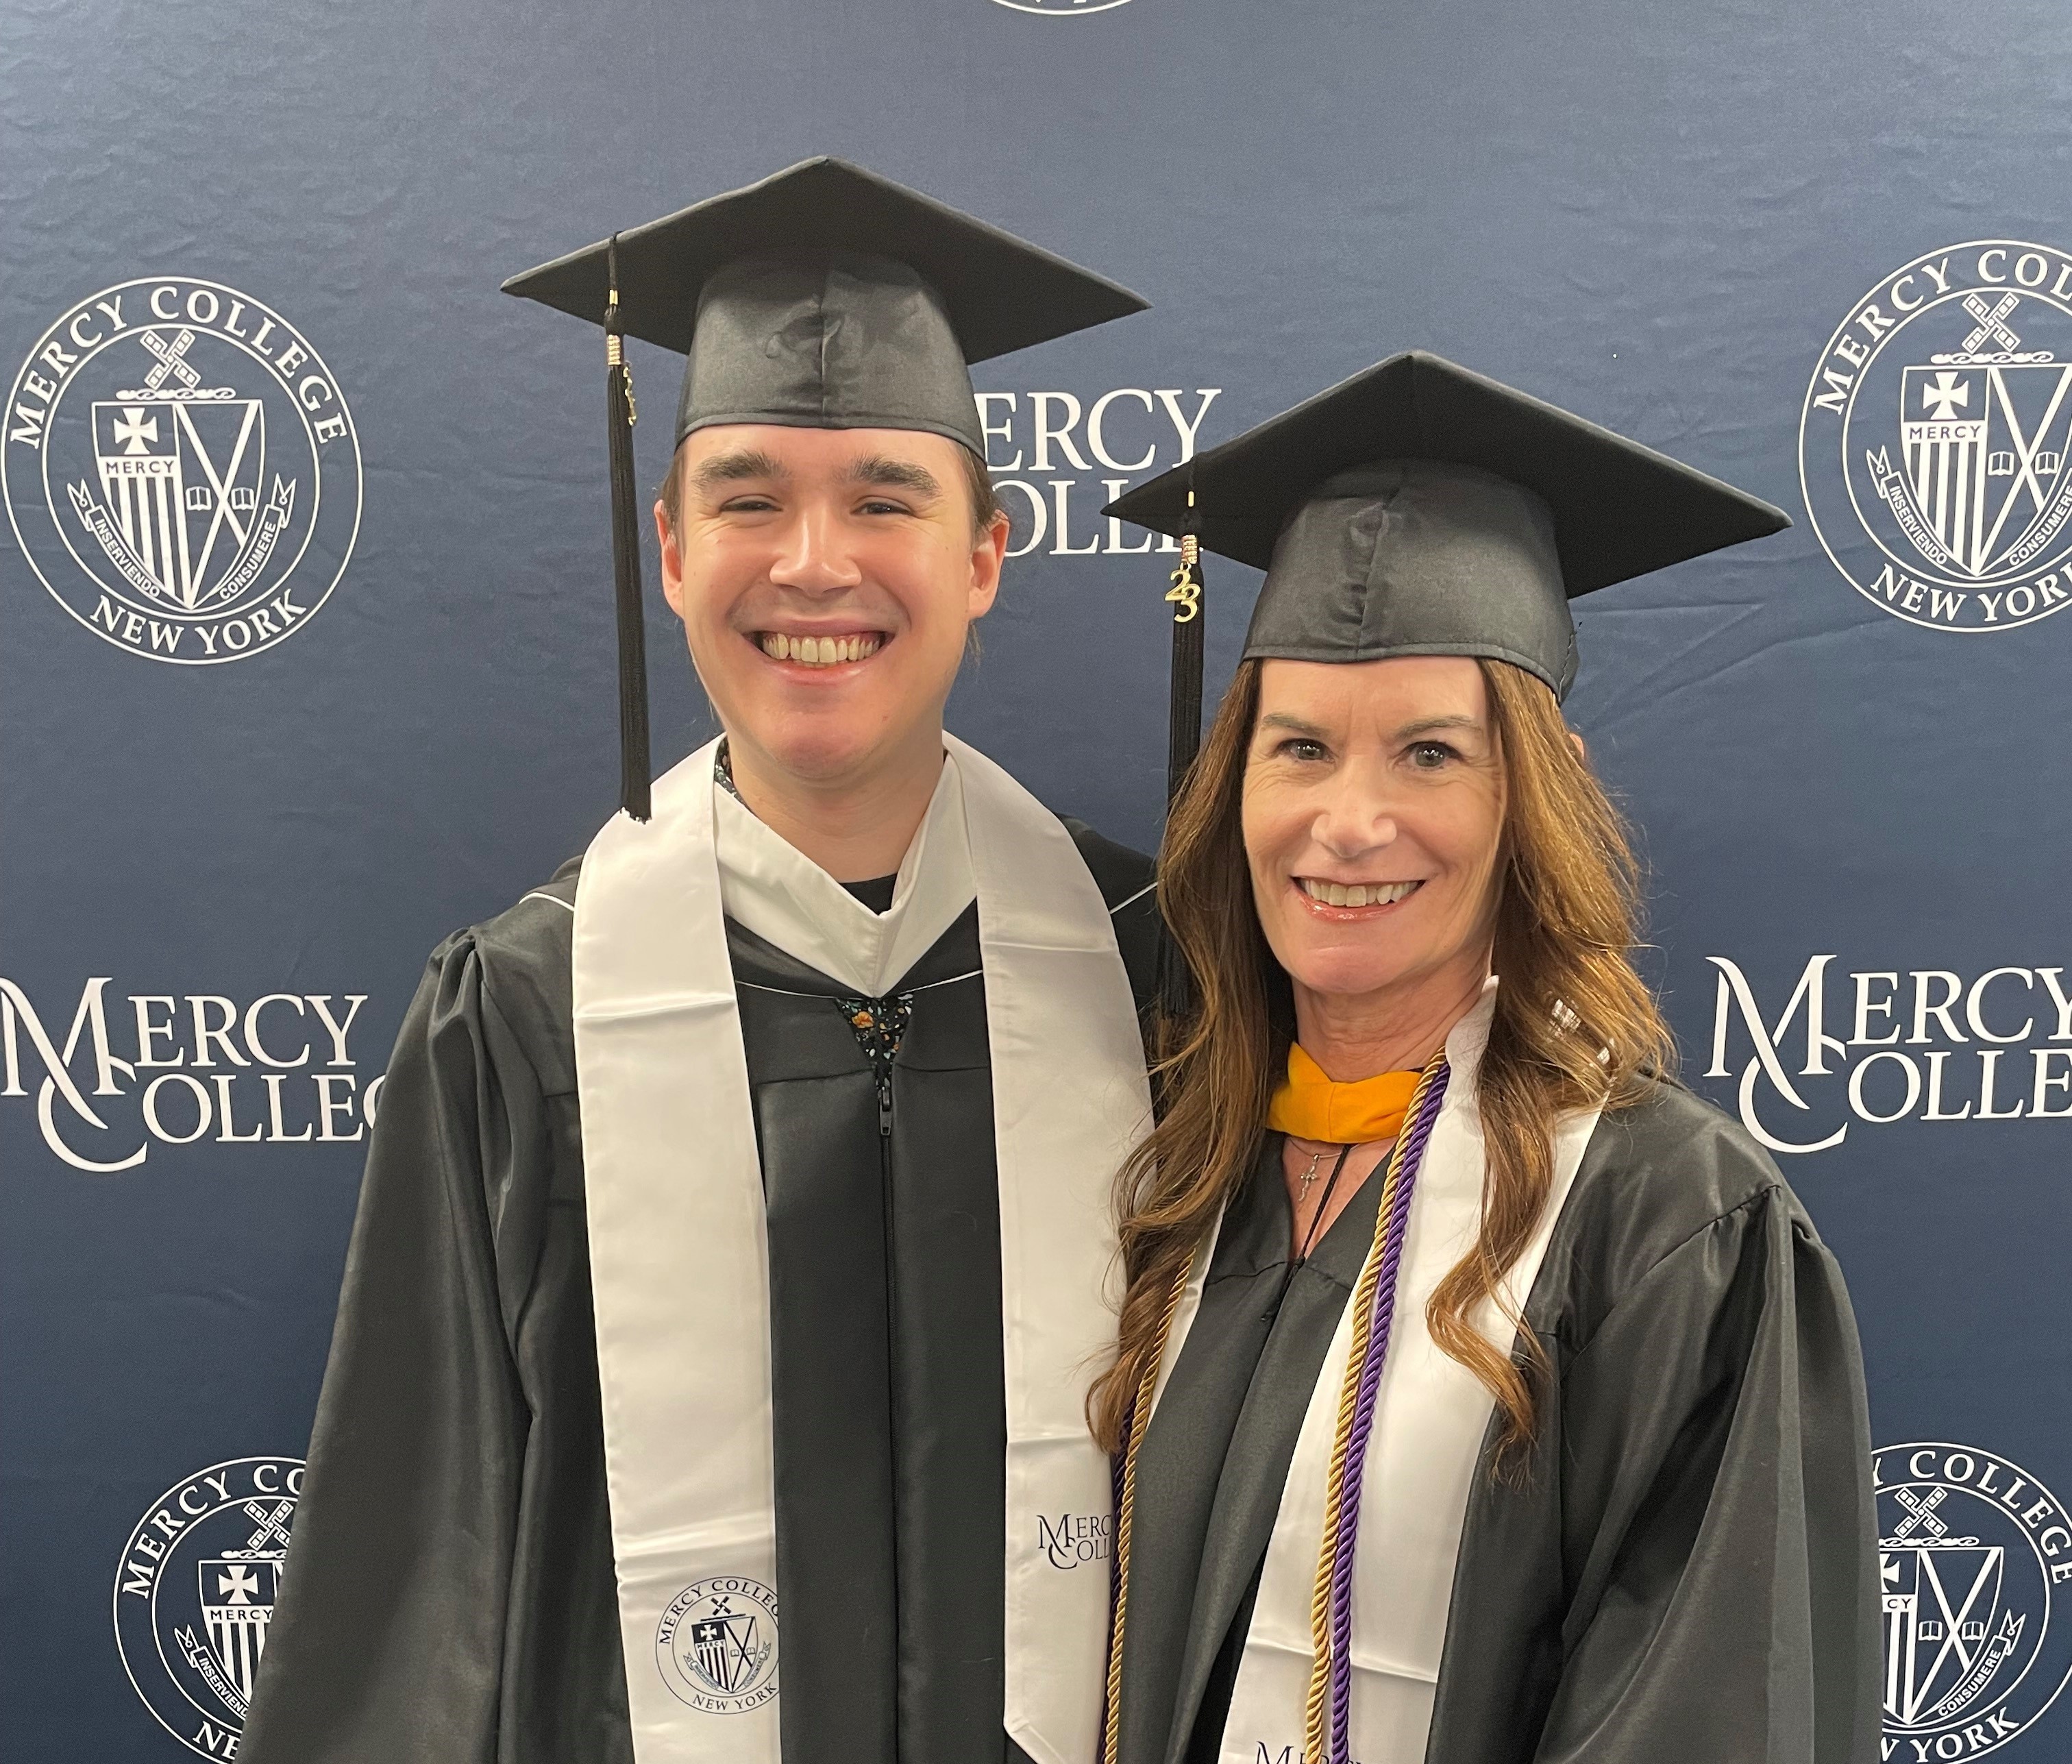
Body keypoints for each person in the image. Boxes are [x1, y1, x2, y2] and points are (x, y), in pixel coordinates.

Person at [241, 158, 1160, 1764]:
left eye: (886, 498)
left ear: (987, 556)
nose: (815, 564)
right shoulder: (527, 1014)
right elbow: (416, 1572)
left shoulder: (1157, 976)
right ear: (669, 550)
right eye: (749, 498)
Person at [1093, 352, 1882, 1764]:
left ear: (1534, 790)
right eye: (1302, 746)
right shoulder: (1185, 1170)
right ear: (1236, 787)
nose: (1348, 821)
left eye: (1431, 753)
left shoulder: (1664, 1224)